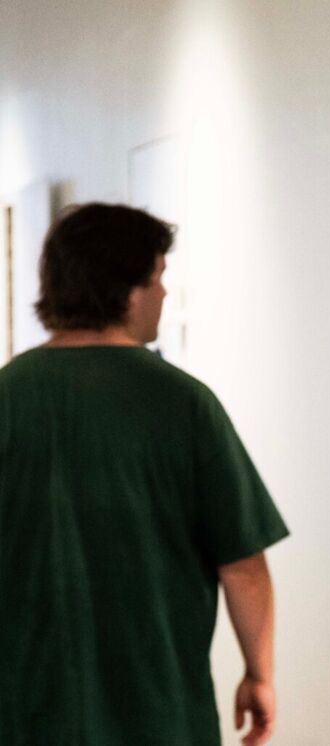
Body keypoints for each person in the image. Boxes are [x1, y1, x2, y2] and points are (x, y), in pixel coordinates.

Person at [0, 204, 288, 745]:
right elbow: (243, 565)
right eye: (157, 278)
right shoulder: (183, 404)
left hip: (23, 711)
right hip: (160, 714)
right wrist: (260, 674)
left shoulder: (8, 396)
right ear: (125, 290)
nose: (163, 294)